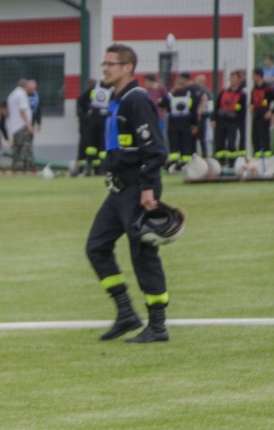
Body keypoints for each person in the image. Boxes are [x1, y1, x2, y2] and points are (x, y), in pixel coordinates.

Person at [86, 43, 171, 344]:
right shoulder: (115, 99)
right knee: (96, 246)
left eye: (112, 63)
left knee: (143, 254)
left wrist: (148, 187)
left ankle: (158, 325)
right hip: (119, 190)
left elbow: (157, 150)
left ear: (128, 68)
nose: (105, 68)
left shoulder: (136, 100)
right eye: (104, 63)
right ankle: (125, 313)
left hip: (138, 189)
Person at [162, 73, 199, 170]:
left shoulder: (171, 94)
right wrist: (194, 124)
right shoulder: (189, 94)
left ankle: (174, 164)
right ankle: (185, 164)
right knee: (186, 144)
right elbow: (193, 110)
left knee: (174, 145)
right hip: (185, 122)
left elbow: (163, 104)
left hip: (174, 123)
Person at [249, 69, 274, 159]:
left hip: (264, 116)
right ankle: (257, 159)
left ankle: (267, 159)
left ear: (259, 76)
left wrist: (271, 112)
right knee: (255, 138)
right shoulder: (254, 88)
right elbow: (252, 101)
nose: (252, 78)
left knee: (264, 138)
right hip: (256, 115)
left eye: (253, 75)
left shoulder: (268, 88)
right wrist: (251, 106)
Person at [213, 69, 246, 163]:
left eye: (234, 78)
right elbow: (217, 106)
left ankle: (232, 162)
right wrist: (214, 119)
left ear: (239, 80)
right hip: (221, 120)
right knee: (219, 143)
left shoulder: (242, 94)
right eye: (231, 78)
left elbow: (243, 111)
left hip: (233, 121)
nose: (232, 80)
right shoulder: (223, 92)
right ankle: (220, 162)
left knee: (231, 143)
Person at [84, 79, 115, 175]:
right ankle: (98, 168)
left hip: (98, 118)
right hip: (100, 118)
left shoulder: (95, 88)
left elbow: (82, 100)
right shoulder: (111, 91)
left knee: (95, 144)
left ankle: (96, 167)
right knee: (100, 144)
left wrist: (88, 109)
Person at [6, 79, 34, 172]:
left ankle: (15, 168)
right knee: (26, 148)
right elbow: (22, 110)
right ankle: (29, 168)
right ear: (25, 86)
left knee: (16, 149)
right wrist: (28, 125)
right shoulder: (22, 94)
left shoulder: (12, 95)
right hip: (22, 125)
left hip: (14, 126)